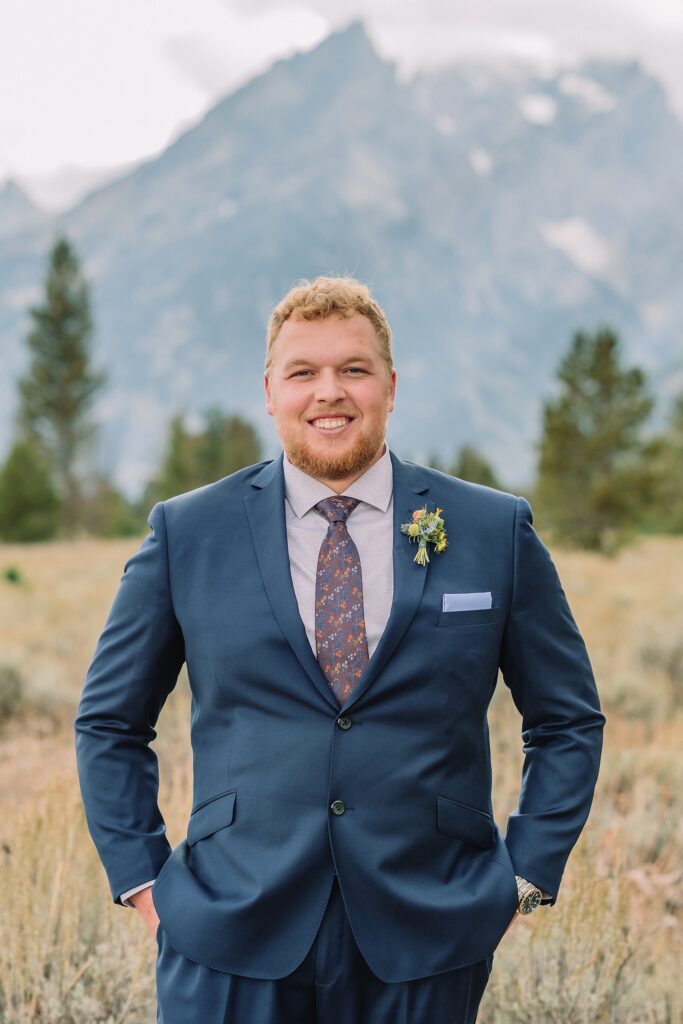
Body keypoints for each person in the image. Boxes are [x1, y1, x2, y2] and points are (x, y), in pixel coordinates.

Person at [75, 275, 605, 1023]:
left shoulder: (492, 530)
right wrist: (145, 885)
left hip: (428, 931)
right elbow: (109, 722)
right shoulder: (186, 533)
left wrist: (522, 877)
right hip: (227, 932)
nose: (330, 392)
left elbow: (567, 721)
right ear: (269, 391)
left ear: (389, 384)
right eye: (303, 372)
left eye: (353, 369)